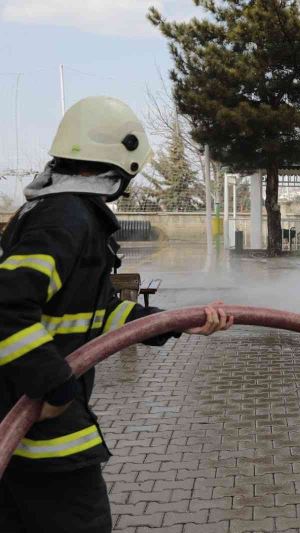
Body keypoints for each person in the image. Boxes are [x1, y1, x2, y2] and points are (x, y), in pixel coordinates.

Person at [0, 96, 233, 533]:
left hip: (32, 432)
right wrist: (53, 388)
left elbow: (95, 315)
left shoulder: (65, 213)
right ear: (121, 161)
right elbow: (7, 306)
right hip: (42, 434)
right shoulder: (65, 219)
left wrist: (177, 322)